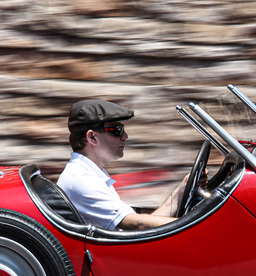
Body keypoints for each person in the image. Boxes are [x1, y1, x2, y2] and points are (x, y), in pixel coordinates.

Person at [57, 99, 191, 231]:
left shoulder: (90, 173)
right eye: (117, 130)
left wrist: (182, 190)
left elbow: (140, 231)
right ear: (92, 137)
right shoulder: (82, 179)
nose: (125, 136)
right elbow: (134, 224)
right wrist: (195, 225)